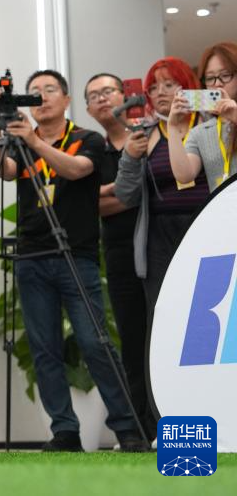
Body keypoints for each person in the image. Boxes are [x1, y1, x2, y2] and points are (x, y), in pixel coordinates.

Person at [0, 69, 145, 452]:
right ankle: (64, 431)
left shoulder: (87, 139)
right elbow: (0, 169)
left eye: (49, 89)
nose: (41, 96)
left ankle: (128, 428)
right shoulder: (21, 144)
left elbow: (76, 170)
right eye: (33, 92)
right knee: (44, 349)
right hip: (32, 255)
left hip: (76, 253)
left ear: (67, 99)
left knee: (95, 342)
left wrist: (34, 142)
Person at [114, 58, 208, 355]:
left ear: (188, 86)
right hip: (159, 235)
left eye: (170, 84)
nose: (161, 92)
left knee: (207, 311)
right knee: (164, 312)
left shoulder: (210, 123)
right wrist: (130, 156)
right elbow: (125, 194)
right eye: (153, 88)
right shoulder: (145, 132)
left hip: (205, 227)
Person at [83, 73, 155, 439]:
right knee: (131, 335)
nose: (102, 99)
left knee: (161, 331)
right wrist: (120, 193)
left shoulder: (148, 133)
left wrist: (107, 193)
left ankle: (167, 418)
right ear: (87, 108)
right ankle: (140, 427)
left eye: (108, 91)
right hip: (117, 251)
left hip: (157, 244)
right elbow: (88, 206)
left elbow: (149, 191)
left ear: (125, 95)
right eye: (93, 95)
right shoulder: (92, 148)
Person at [167, 42, 237, 193]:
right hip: (222, 207)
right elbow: (184, 175)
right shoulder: (200, 132)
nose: (217, 84)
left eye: (225, 75)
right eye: (210, 78)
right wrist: (172, 127)